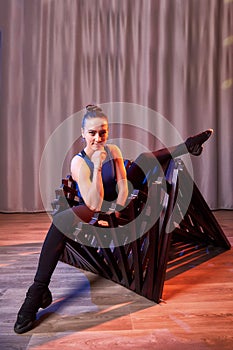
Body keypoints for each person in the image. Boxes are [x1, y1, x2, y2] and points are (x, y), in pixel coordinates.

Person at [14, 104, 213, 334]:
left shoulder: (114, 150)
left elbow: (123, 194)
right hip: (92, 205)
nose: (98, 138)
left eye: (103, 132)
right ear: (82, 133)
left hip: (119, 199)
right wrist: (97, 167)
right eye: (92, 133)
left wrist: (119, 201)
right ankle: (37, 291)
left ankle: (187, 145)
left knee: (142, 160)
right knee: (60, 222)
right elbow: (93, 204)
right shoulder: (78, 162)